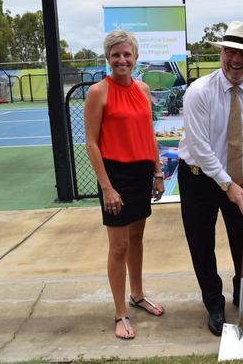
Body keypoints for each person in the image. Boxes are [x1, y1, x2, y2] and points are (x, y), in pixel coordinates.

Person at [177, 21, 243, 337]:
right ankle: (215, 305)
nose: (237, 59)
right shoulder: (199, 92)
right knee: (202, 245)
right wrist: (228, 184)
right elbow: (200, 147)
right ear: (221, 52)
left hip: (236, 176)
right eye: (231, 51)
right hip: (198, 179)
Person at [84, 29, 165, 340]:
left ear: (135, 57)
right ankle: (120, 313)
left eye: (126, 54)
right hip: (115, 176)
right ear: (108, 57)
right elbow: (91, 143)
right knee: (118, 246)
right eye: (116, 54)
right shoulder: (98, 92)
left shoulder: (143, 89)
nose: (121, 59)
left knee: (137, 239)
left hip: (142, 172)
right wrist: (107, 187)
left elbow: (148, 134)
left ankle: (138, 294)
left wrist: (157, 172)